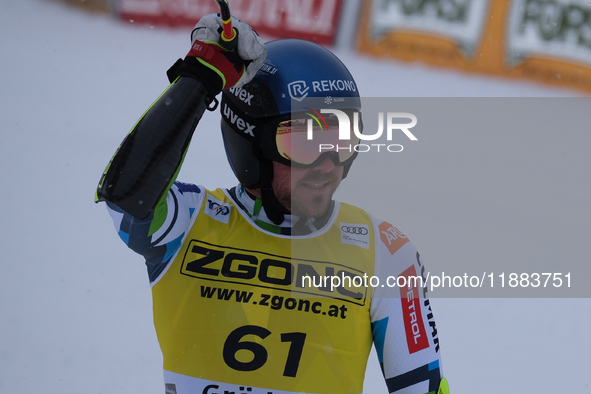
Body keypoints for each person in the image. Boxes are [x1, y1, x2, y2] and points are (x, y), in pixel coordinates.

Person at [95, 13, 449, 394]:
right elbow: (127, 192)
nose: (328, 165)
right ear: (251, 145)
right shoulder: (187, 223)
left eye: (343, 141)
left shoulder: (386, 251)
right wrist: (200, 78)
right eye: (303, 144)